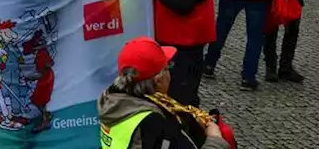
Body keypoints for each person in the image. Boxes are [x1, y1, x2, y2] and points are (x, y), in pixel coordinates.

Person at [97, 37, 230, 149]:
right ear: (159, 80)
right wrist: (215, 139)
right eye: (167, 68)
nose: (170, 73)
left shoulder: (112, 101)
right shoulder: (156, 122)